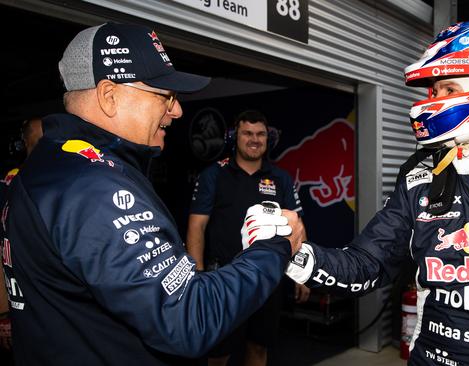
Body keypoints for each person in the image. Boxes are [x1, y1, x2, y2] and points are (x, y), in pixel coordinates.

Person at [245, 20, 469, 366]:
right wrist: (296, 253)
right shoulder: (418, 182)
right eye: (433, 89)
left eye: (448, 88)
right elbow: (365, 264)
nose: (433, 99)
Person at [0, 22, 303, 365]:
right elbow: (188, 319)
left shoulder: (52, 164)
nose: (177, 111)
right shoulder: (91, 186)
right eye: (165, 96)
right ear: (109, 96)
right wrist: (276, 245)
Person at [186, 110, 309, 366]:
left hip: (268, 280)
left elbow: (297, 227)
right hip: (222, 279)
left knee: (258, 347)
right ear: (235, 137)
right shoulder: (214, 175)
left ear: (268, 138)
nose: (254, 139)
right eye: (247, 133)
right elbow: (196, 227)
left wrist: (302, 274)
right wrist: (197, 276)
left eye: (260, 134)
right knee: (218, 354)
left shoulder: (280, 178)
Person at [0, 117, 43, 358]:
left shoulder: (63, 181)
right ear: (24, 143)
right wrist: (4, 313)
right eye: (37, 140)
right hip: (20, 307)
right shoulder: (10, 183)